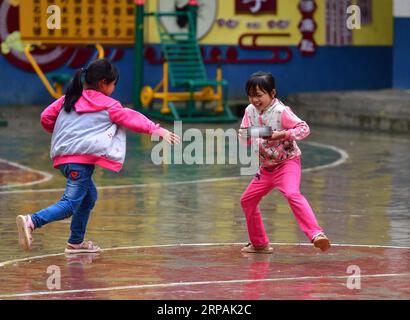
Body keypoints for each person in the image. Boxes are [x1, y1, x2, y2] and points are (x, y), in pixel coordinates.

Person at [16, 58, 180, 254]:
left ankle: (75, 243)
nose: (113, 88)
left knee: (88, 197)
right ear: (104, 83)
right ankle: (32, 221)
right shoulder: (109, 105)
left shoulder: (69, 98)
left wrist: (65, 134)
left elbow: (46, 117)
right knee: (69, 204)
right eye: (113, 84)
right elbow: (130, 117)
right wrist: (157, 130)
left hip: (63, 159)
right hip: (79, 162)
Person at [238, 71, 330, 254]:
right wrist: (248, 134)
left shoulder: (282, 111)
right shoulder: (249, 111)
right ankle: (259, 244)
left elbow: (304, 129)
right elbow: (244, 136)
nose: (255, 100)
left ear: (272, 93)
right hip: (265, 168)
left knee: (291, 193)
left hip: (287, 163)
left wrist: (283, 134)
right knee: (247, 200)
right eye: (251, 95)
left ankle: (316, 234)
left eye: (259, 95)